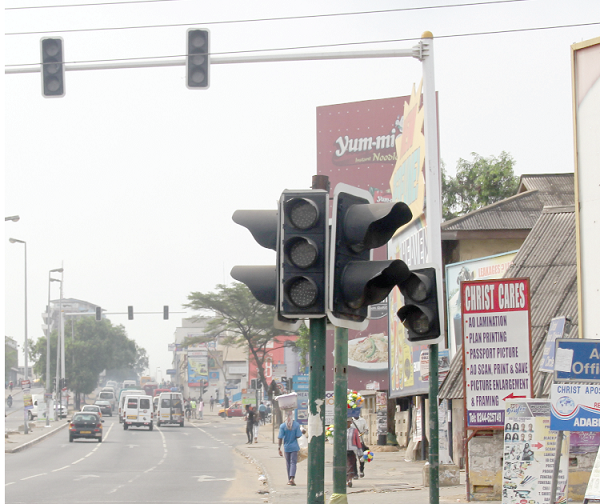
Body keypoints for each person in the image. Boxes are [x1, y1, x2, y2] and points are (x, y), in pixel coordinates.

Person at [278, 410, 303, 486]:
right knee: (293, 463)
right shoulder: (296, 425)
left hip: (286, 447)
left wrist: (279, 448)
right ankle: (292, 478)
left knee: (288, 463)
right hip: (294, 447)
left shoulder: (283, 426)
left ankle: (289, 479)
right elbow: (298, 435)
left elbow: (280, 437)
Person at [346, 418, 363, 487]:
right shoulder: (339, 430)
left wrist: (360, 453)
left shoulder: (354, 431)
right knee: (344, 466)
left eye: (348, 422)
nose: (347, 423)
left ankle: (349, 480)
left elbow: (358, 442)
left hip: (351, 450)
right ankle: (346, 479)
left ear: (350, 422)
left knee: (350, 465)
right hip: (342, 450)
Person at [352, 413, 369, 478]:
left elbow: (366, 430)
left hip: (360, 441)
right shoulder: (350, 420)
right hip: (352, 442)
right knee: (353, 458)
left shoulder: (363, 420)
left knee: (361, 457)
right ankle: (355, 473)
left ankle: (361, 469)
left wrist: (364, 432)